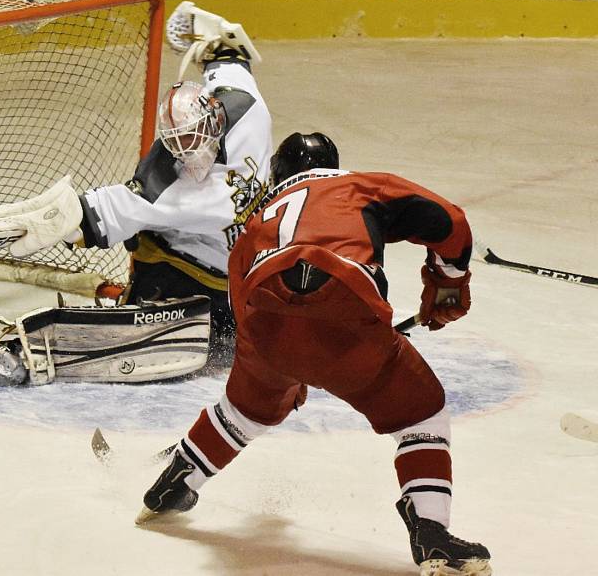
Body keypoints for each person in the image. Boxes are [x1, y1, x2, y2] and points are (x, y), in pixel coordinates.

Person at [135, 132, 492, 576]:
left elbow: (242, 306)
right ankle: (432, 534)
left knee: (246, 411)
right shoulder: (361, 187)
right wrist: (448, 283)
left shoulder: (256, 222)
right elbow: (450, 221)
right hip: (343, 305)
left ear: (279, 177)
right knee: (421, 415)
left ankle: (180, 477)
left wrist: (284, 373)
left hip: (265, 321)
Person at [0, 2, 272, 365]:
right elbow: (230, 57)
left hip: (233, 281)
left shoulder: (246, 118)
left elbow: (231, 55)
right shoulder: (176, 175)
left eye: (194, 144)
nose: (189, 158)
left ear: (212, 119)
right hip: (205, 269)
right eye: (178, 147)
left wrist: (207, 29)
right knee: (151, 257)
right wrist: (67, 217)